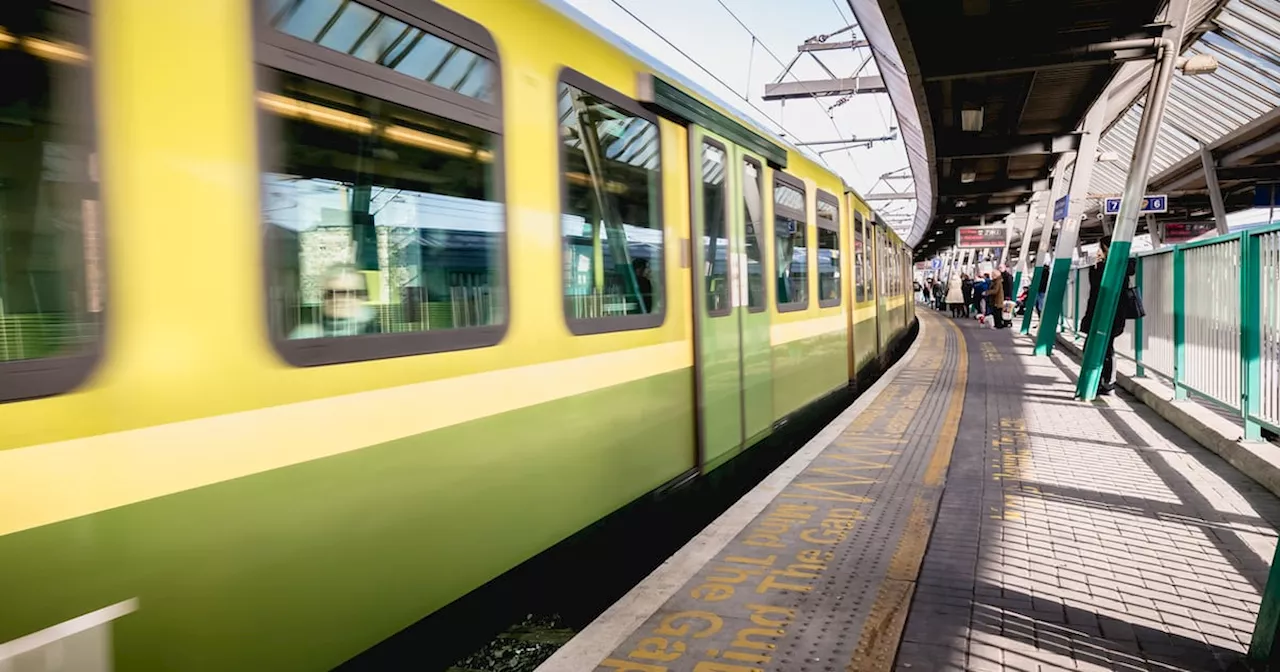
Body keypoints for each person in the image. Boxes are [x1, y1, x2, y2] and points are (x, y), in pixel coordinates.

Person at [1079, 236, 1137, 396]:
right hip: (1110, 313)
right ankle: (1104, 382)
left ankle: (1104, 382)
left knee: (1100, 348)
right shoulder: (1120, 266)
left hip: (1105, 313)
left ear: (1107, 249)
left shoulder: (1114, 266)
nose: (1099, 251)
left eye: (1101, 248)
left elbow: (1097, 288)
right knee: (1104, 347)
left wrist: (1097, 267)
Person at [290, 265, 381, 339]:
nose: (337, 299)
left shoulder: (381, 334)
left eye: (347, 292)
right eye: (330, 294)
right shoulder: (304, 336)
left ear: (362, 296)